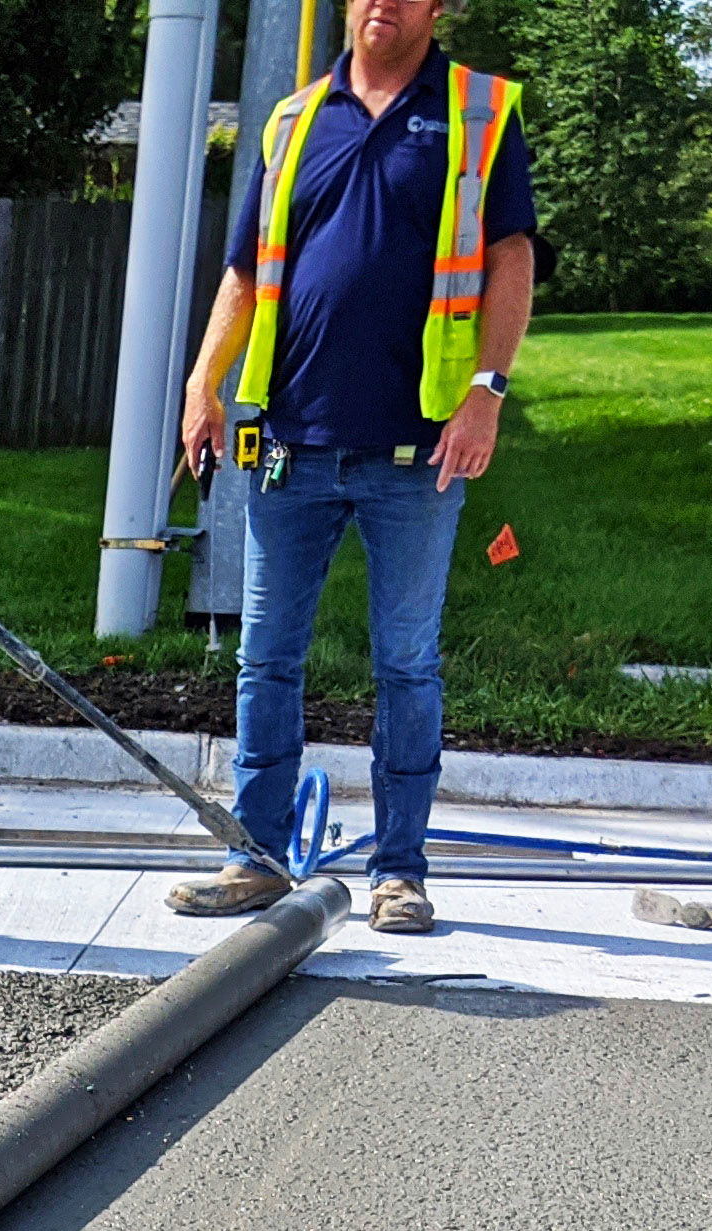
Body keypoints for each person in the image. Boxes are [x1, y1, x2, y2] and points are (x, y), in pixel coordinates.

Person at [171, 0, 531, 936]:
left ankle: (399, 872)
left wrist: (487, 391)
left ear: (436, 6)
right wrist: (204, 386)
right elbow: (247, 271)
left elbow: (509, 256)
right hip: (292, 447)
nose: (383, 4)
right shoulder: (294, 120)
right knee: (266, 660)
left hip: (417, 454)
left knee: (405, 664)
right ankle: (255, 858)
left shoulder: (477, 112)